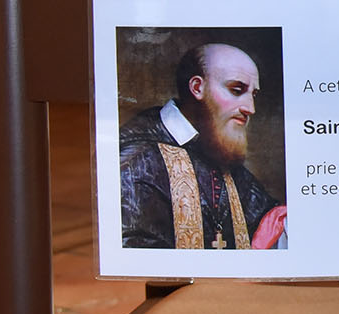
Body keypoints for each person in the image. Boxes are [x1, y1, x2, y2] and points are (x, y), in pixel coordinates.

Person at [121, 42, 287, 249]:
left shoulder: (215, 149)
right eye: (236, 90)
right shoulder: (136, 158)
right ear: (197, 88)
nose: (250, 109)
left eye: (253, 95)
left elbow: (270, 220)